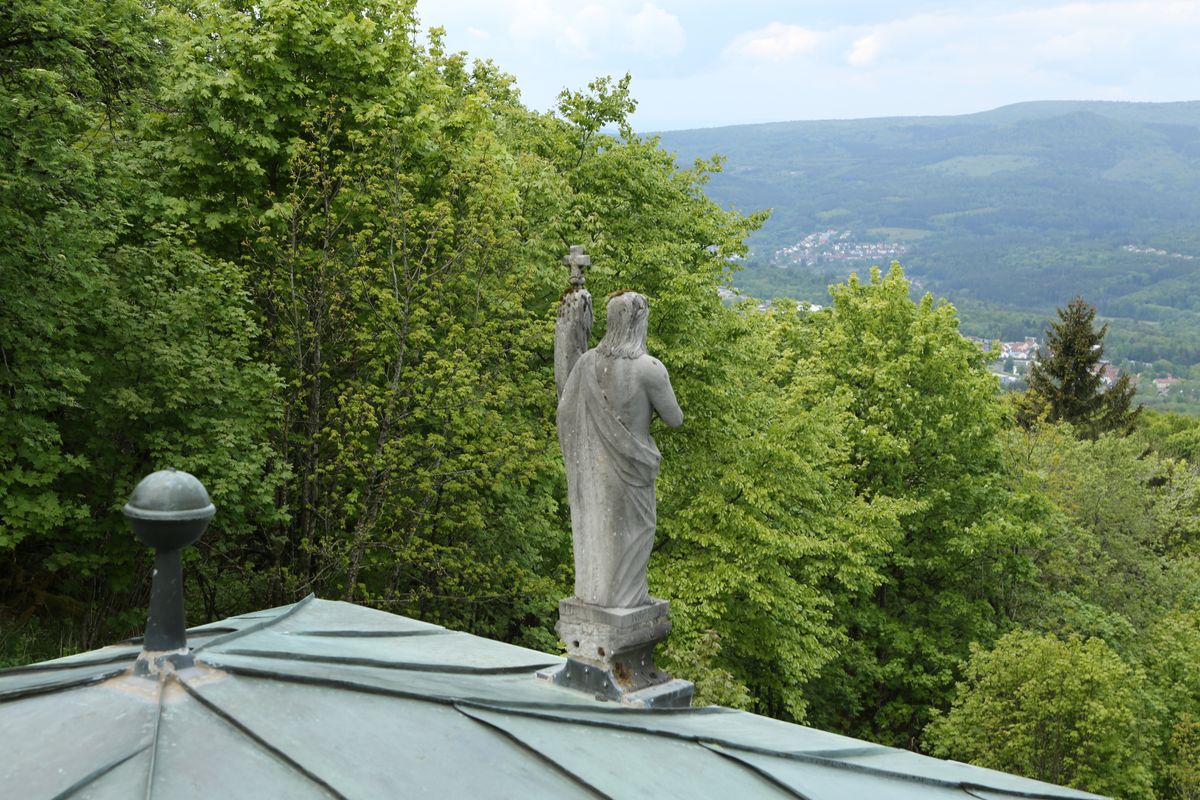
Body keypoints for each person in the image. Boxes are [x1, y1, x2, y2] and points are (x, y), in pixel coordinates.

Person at [556, 291, 682, 608]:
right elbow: (675, 418)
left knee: (601, 528)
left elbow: (566, 412)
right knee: (637, 531)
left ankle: (599, 593)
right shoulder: (649, 368)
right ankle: (627, 597)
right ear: (639, 322)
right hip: (634, 467)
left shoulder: (586, 363)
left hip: (597, 467)